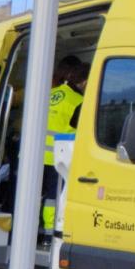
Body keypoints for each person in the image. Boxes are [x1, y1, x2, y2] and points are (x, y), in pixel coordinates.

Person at [41, 55, 88, 239]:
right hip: (57, 156)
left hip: (34, 156)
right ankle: (49, 235)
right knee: (53, 198)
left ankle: (35, 233)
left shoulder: (51, 93)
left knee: (35, 196)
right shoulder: (78, 101)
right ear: (84, 82)